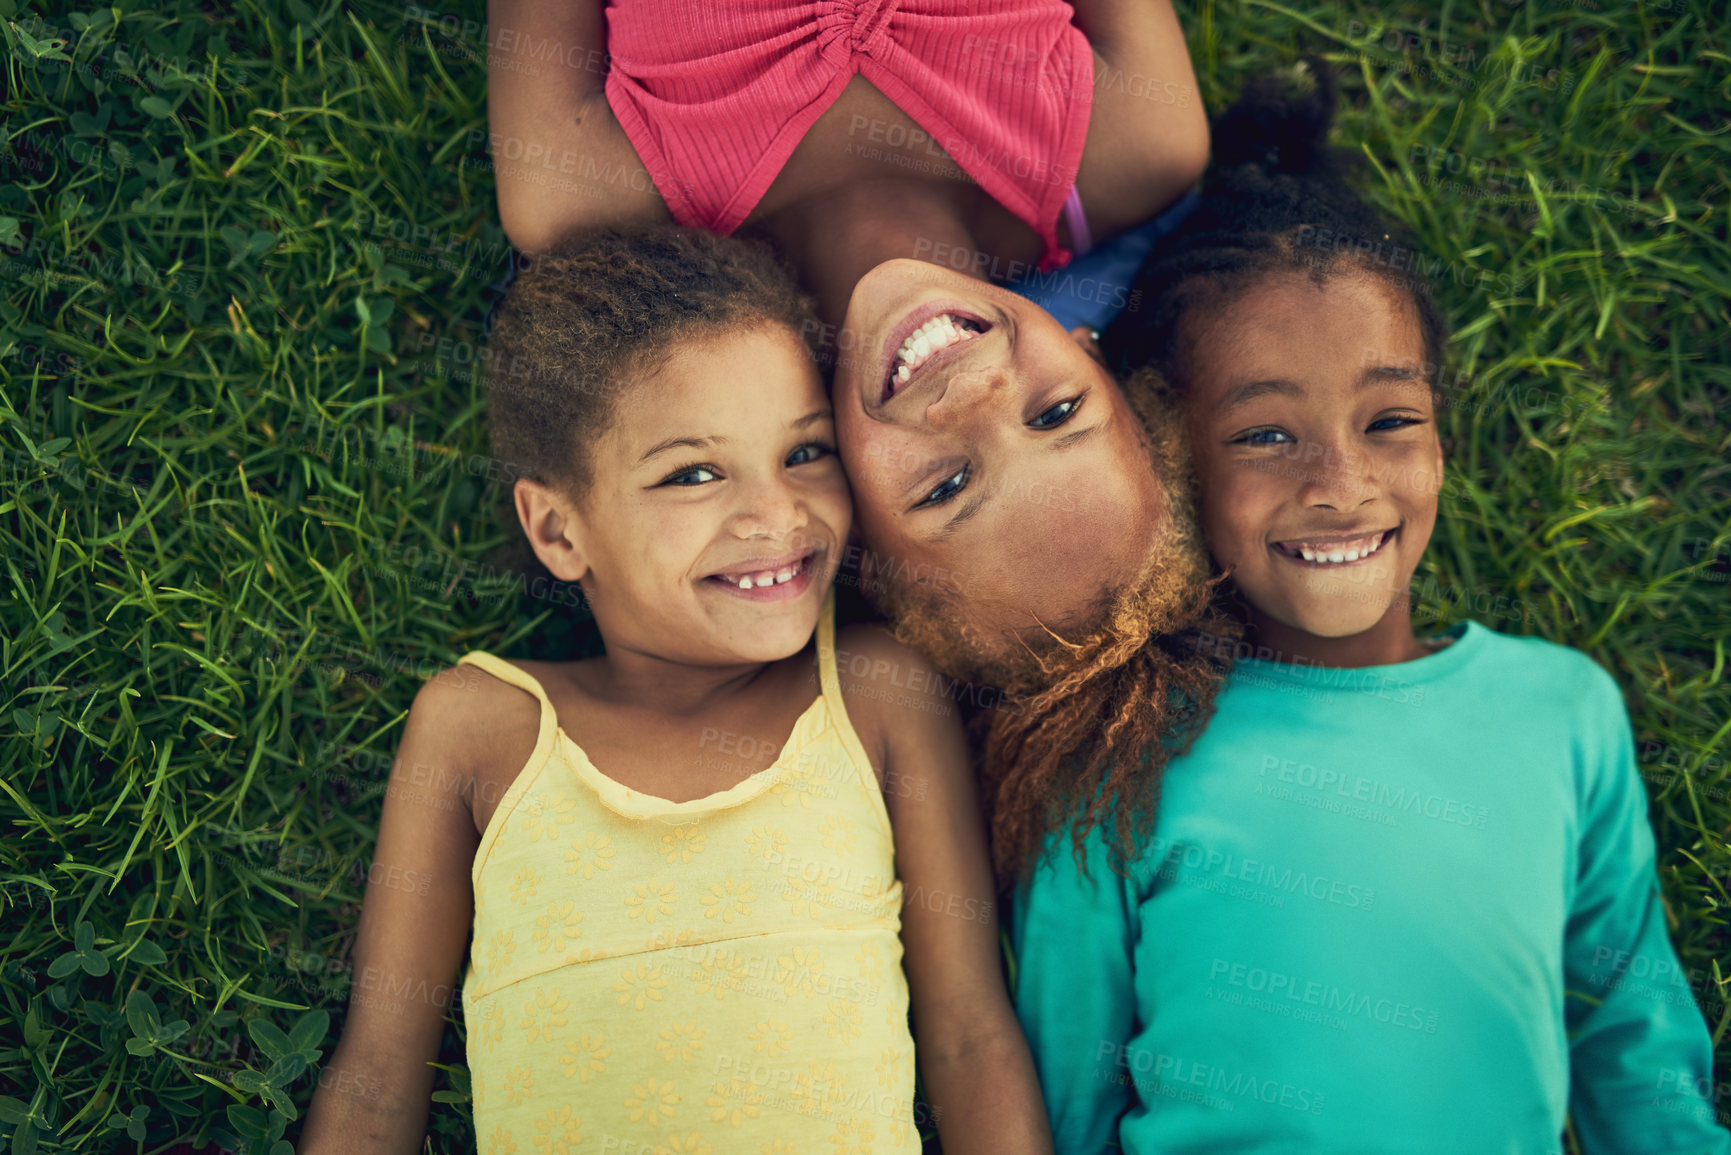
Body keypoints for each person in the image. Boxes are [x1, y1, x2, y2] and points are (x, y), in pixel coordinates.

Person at [1010, 66, 1731, 1153]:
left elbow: (1633, 1041)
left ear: (1442, 432)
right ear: (1170, 450)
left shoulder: (1561, 712)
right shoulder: (1109, 752)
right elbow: (1067, 1102)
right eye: (1265, 434)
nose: (1341, 482)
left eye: (1390, 419)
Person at [298, 227, 1052, 1154]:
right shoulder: (478, 729)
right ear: (559, 529)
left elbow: (970, 1034)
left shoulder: (875, 695)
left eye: (806, 453)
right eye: (693, 473)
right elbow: (377, 1080)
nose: (776, 514)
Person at [481, 0, 1221, 682]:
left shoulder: (585, 192)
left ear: (855, 525)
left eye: (944, 487)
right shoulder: (1137, 142)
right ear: (1088, 348)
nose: (974, 394)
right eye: (1056, 414)